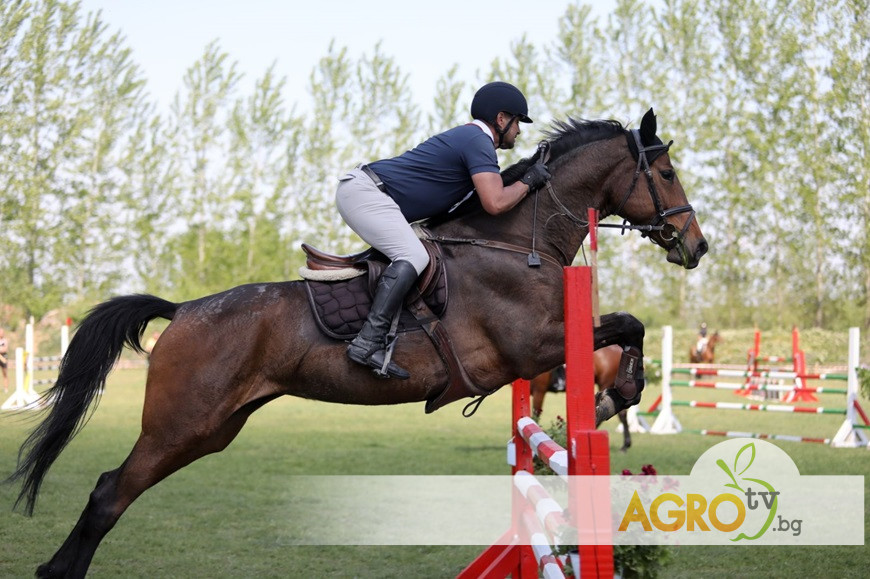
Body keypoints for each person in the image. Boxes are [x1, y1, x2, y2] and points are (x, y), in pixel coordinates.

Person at [336, 81, 551, 380]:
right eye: (518, 122)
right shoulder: (478, 141)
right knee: (414, 254)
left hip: (370, 192)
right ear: (502, 119)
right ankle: (368, 342)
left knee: (415, 252)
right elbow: (495, 202)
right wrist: (529, 182)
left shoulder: (472, 139)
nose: (519, 131)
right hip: (366, 192)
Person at [0, 327, 8, 393]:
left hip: (3, 357)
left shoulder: (5, 340)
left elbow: (5, 349)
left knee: (5, 373)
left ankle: (6, 388)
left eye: (2, 332)